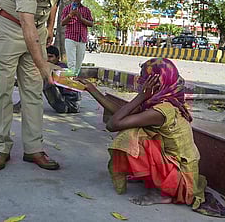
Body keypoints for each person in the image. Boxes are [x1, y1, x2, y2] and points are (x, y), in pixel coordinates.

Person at [0, 0, 91, 171]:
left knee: (33, 91)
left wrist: (50, 30)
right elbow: (26, 22)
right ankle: (1, 147)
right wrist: (44, 67)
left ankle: (33, 149)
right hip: (10, 27)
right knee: (3, 89)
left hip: (37, 28)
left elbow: (53, 1)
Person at [77, 58, 217, 214]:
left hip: (181, 180)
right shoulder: (164, 100)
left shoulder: (162, 110)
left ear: (156, 83)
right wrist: (92, 89)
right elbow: (121, 112)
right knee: (136, 131)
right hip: (178, 170)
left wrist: (141, 96)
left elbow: (113, 124)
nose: (141, 82)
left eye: (144, 78)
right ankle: (158, 180)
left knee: (130, 136)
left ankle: (163, 193)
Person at [13, 45, 80, 114]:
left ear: (58, 58)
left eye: (51, 56)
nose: (48, 59)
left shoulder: (61, 67)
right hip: (66, 103)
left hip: (69, 105)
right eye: (46, 57)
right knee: (41, 78)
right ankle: (22, 99)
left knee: (44, 78)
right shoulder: (53, 67)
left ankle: (21, 104)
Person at [61, 0, 94, 75]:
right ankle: (71, 81)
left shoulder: (86, 10)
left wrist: (81, 18)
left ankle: (74, 79)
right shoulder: (67, 9)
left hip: (82, 39)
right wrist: (70, 15)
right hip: (70, 38)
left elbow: (91, 23)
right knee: (71, 62)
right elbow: (62, 23)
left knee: (78, 63)